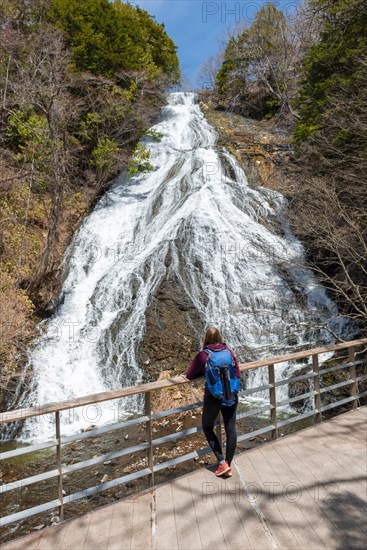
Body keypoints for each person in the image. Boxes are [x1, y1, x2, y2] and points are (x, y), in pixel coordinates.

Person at [186, 326, 241, 477]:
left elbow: (190, 375)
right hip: (231, 394)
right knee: (231, 428)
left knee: (207, 427)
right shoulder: (228, 352)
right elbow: (237, 372)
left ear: (206, 339)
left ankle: (222, 463)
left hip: (214, 396)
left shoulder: (203, 355)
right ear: (220, 337)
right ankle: (228, 463)